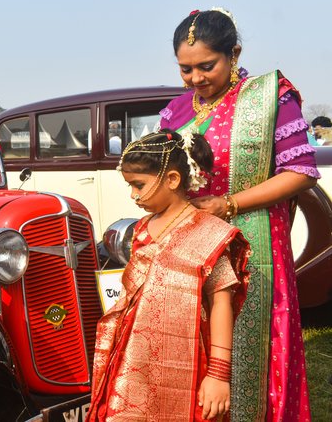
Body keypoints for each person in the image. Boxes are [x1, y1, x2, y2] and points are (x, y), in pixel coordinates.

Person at [158, 8, 319, 421]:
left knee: (255, 352)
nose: (196, 78)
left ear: (234, 53)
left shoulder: (268, 98)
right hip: (194, 249)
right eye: (185, 69)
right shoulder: (174, 112)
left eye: (206, 66)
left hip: (255, 243)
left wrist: (228, 205)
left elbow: (300, 173)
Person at [87, 130, 250, 421]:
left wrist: (218, 375)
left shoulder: (210, 232)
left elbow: (221, 304)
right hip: (132, 359)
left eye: (139, 185)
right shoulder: (141, 229)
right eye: (130, 186)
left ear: (173, 179)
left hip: (187, 362)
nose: (133, 195)